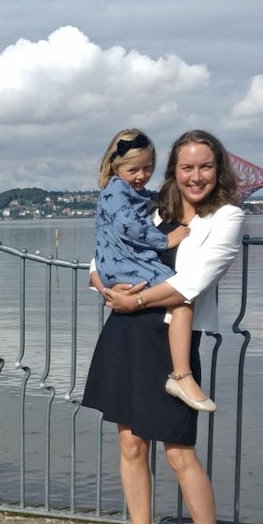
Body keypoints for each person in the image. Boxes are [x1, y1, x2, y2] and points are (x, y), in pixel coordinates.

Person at [82, 129, 245, 524]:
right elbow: (100, 257)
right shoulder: (152, 208)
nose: (196, 176)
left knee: (177, 450)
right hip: (126, 328)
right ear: (174, 170)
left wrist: (134, 301)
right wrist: (105, 289)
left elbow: (190, 284)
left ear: (219, 170)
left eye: (205, 166)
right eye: (187, 167)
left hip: (171, 332)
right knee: (131, 444)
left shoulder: (227, 218)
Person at [92, 128, 215, 412]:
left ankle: (180, 375)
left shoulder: (122, 190)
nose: (142, 175)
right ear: (114, 166)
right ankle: (182, 376)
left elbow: (147, 201)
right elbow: (129, 226)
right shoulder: (117, 191)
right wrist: (165, 240)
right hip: (123, 265)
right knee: (181, 297)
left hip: (113, 265)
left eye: (148, 168)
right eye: (133, 169)